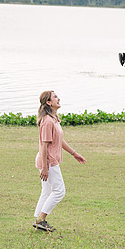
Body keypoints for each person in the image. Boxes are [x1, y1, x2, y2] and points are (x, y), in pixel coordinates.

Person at [33, 90, 86, 232]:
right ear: (49, 102)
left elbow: (59, 140)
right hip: (48, 161)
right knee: (59, 191)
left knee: (47, 191)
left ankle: (38, 220)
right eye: (55, 97)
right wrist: (45, 167)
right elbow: (44, 145)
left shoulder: (54, 119)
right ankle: (41, 219)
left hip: (49, 160)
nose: (58, 98)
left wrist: (74, 153)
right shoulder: (48, 121)